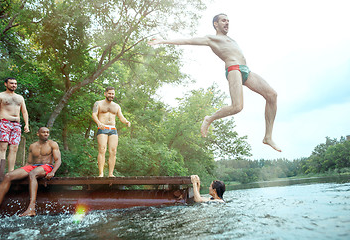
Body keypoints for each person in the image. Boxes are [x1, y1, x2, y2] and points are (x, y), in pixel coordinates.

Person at [148, 14, 281, 152]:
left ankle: (268, 137)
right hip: (233, 69)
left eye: (228, 21)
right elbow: (188, 40)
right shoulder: (212, 39)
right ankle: (209, 118)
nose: (227, 23)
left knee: (272, 95)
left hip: (246, 70)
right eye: (224, 20)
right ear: (215, 24)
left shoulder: (231, 39)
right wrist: (162, 41)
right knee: (237, 107)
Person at [0, 127, 61, 218]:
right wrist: (20, 172)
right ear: (38, 134)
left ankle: (31, 209)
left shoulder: (53, 144)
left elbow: (58, 160)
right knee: (8, 176)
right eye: (43, 132)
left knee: (32, 174)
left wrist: (53, 172)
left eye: (47, 132)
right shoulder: (32, 146)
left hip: (47, 166)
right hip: (33, 166)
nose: (46, 134)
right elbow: (29, 163)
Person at [0, 77, 30, 172]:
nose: (14, 85)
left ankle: (11, 172)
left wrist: (26, 124)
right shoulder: (0, 95)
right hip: (4, 122)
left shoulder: (20, 97)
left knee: (14, 148)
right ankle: (1, 173)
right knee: (3, 147)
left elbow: (24, 112)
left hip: (16, 125)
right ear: (6, 84)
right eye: (11, 83)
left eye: (15, 84)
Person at [92, 86, 131, 177]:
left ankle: (110, 173)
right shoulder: (98, 103)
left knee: (113, 151)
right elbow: (94, 114)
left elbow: (121, 117)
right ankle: (101, 173)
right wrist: (98, 122)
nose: (111, 95)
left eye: (113, 94)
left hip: (113, 129)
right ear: (105, 93)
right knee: (102, 149)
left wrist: (126, 121)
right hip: (102, 127)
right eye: (109, 93)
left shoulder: (116, 106)